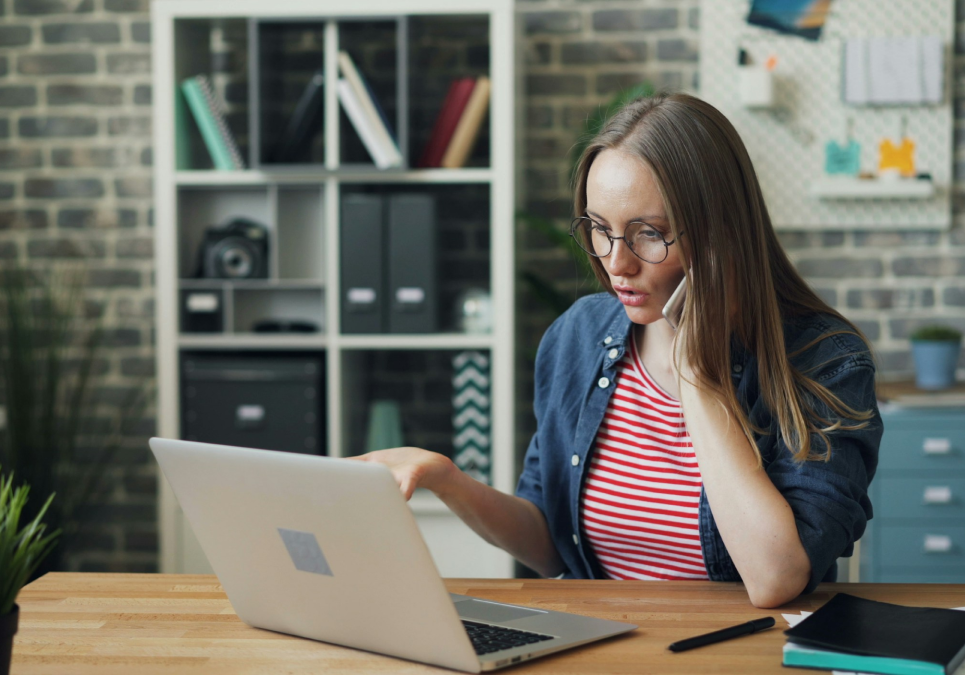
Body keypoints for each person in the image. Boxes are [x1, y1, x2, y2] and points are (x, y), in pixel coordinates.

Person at [354, 93, 882, 609]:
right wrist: (448, 479)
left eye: (648, 234)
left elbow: (777, 579)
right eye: (599, 230)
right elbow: (549, 543)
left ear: (722, 234)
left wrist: (697, 374)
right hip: (607, 649)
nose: (616, 264)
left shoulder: (823, 360)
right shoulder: (578, 335)